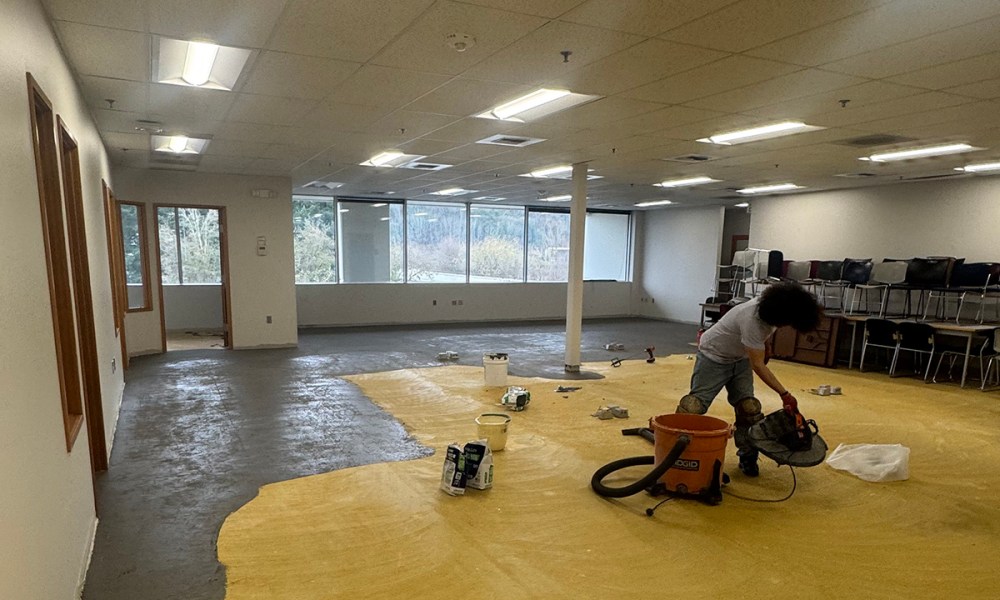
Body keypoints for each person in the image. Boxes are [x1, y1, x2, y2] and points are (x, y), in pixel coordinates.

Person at [677, 282, 822, 477]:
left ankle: (748, 456)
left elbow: (765, 333)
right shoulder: (752, 318)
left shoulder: (773, 308)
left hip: (740, 357)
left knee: (749, 408)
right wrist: (785, 394)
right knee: (693, 407)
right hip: (714, 355)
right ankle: (674, 446)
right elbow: (758, 366)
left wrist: (766, 346)